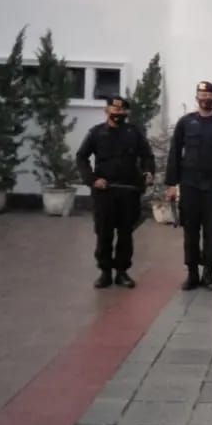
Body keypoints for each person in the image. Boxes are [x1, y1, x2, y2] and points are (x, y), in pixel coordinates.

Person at [164, 81, 212, 292]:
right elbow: (174, 153)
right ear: (196, 98)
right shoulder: (185, 123)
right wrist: (171, 184)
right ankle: (192, 274)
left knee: (211, 231)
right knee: (190, 231)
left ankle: (208, 274)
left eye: (209, 95)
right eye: (202, 94)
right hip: (189, 185)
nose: (205, 98)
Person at [75, 96, 155, 290]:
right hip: (105, 191)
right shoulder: (96, 133)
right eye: (114, 109)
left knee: (126, 233)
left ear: (126, 113)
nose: (117, 113)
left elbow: (146, 155)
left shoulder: (133, 132)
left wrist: (148, 171)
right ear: (107, 110)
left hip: (129, 190)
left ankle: (122, 272)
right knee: (104, 233)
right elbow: (81, 157)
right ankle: (104, 272)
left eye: (121, 111)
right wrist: (93, 180)